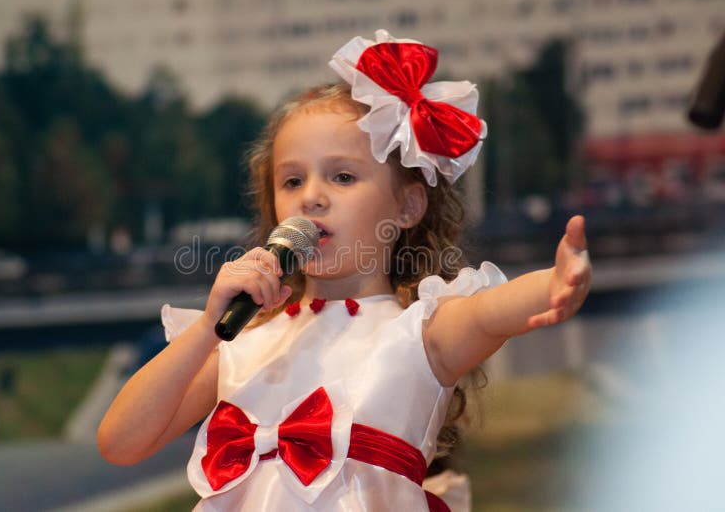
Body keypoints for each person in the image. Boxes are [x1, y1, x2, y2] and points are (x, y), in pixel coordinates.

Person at [97, 30, 592, 511]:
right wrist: (209, 325)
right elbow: (120, 442)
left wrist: (554, 283)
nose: (312, 196)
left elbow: (489, 312)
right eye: (292, 180)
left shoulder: (418, 333)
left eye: (342, 176)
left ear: (407, 206)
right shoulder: (242, 341)